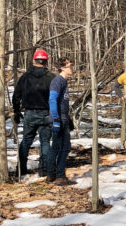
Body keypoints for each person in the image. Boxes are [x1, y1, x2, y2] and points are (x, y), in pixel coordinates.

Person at [12, 49, 55, 176]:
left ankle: (20, 170)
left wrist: (16, 111)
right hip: (45, 114)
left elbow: (16, 96)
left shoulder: (25, 77)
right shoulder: (51, 78)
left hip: (29, 113)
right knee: (45, 142)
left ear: (33, 60)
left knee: (26, 141)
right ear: (46, 62)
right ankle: (44, 171)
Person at [46, 57, 74, 185]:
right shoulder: (58, 81)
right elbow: (52, 99)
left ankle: (51, 175)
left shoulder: (63, 81)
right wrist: (56, 119)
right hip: (59, 118)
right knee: (64, 147)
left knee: (56, 147)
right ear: (62, 68)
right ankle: (60, 176)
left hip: (63, 117)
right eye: (69, 66)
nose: (72, 68)